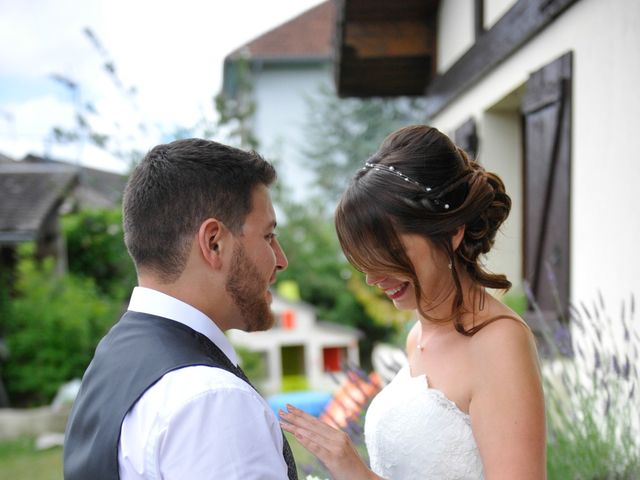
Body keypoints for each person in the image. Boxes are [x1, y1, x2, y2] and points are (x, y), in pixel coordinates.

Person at [280, 125, 545, 479]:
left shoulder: (498, 344)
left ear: (451, 232)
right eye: (364, 260)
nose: (373, 278)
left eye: (387, 254)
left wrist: (356, 472)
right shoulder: (417, 335)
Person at [64, 139, 298, 479]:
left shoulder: (113, 359)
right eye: (268, 236)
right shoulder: (212, 400)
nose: (281, 260)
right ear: (214, 243)